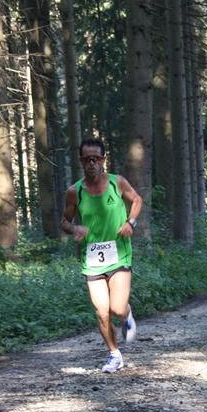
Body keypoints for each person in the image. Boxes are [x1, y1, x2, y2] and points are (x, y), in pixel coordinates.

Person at [60, 137, 142, 374]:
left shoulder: (118, 182)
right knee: (101, 311)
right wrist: (74, 228)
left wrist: (131, 223)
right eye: (87, 159)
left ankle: (127, 315)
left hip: (119, 254)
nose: (91, 163)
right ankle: (114, 355)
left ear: (103, 160)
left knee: (117, 308)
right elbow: (64, 221)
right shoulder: (74, 192)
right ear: (81, 161)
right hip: (93, 259)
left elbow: (137, 200)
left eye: (96, 158)